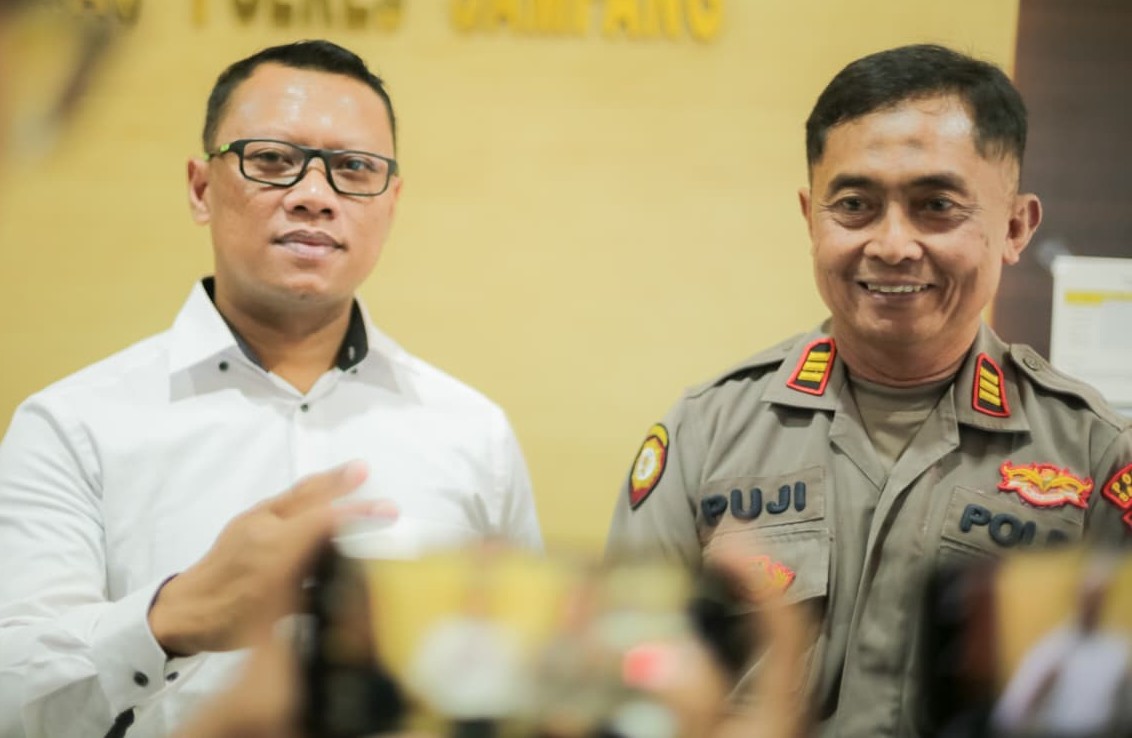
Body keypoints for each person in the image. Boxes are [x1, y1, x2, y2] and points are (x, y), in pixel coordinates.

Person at [0, 39, 542, 738]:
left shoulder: (473, 433)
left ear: (391, 202)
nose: (314, 196)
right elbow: (11, 697)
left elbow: (528, 681)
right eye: (273, 160)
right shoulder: (72, 426)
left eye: (354, 168)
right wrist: (171, 618)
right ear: (201, 189)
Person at [606, 43, 1132, 737]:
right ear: (810, 217)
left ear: (1014, 227)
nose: (892, 245)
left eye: (936, 205)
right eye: (854, 205)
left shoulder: (1094, 456)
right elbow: (623, 689)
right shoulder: (705, 434)